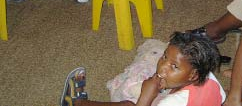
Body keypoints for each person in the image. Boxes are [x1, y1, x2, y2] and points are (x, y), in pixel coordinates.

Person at [60, 32, 226, 106]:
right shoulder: (210, 79)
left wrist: (146, 97)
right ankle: (78, 103)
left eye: (173, 66)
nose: (162, 67)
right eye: (164, 57)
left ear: (193, 75)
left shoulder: (172, 103)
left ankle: (77, 103)